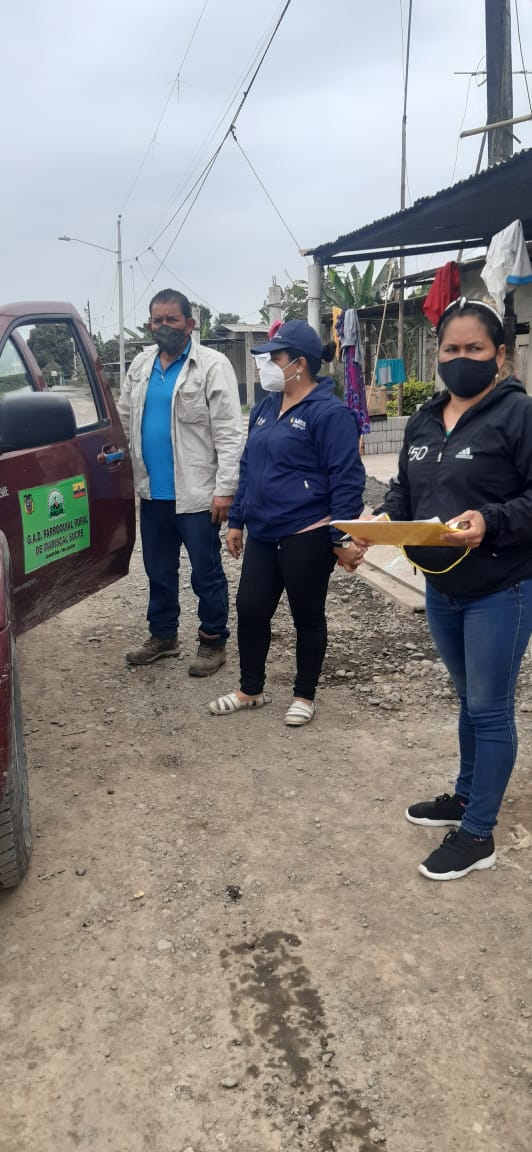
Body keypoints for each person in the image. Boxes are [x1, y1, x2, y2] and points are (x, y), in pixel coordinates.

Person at [363, 296, 532, 880]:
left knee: (489, 708)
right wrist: (375, 527)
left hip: (500, 588)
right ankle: (464, 796)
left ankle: (479, 833)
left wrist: (491, 520)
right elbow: (405, 495)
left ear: (499, 355)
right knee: (468, 700)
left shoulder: (518, 415)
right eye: (452, 349)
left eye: (474, 348)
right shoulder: (424, 420)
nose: (462, 358)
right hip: (441, 587)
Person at [208, 319, 367, 726]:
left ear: (300, 364)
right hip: (263, 532)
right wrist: (237, 520)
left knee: (306, 614)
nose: (265, 366)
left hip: (306, 532)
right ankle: (251, 690)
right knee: (250, 608)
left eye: (274, 358)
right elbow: (249, 466)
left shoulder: (331, 413)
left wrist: (340, 536)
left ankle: (304, 695)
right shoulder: (264, 408)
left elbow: (347, 478)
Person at [118, 289, 243, 676]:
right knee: (158, 570)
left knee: (205, 572)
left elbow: (229, 432)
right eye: (157, 320)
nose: (164, 327)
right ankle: (163, 636)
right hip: (152, 493)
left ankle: (213, 641)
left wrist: (225, 489)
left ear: (190, 324)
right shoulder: (141, 366)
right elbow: (124, 419)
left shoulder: (211, 366)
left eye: (171, 319)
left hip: (197, 494)